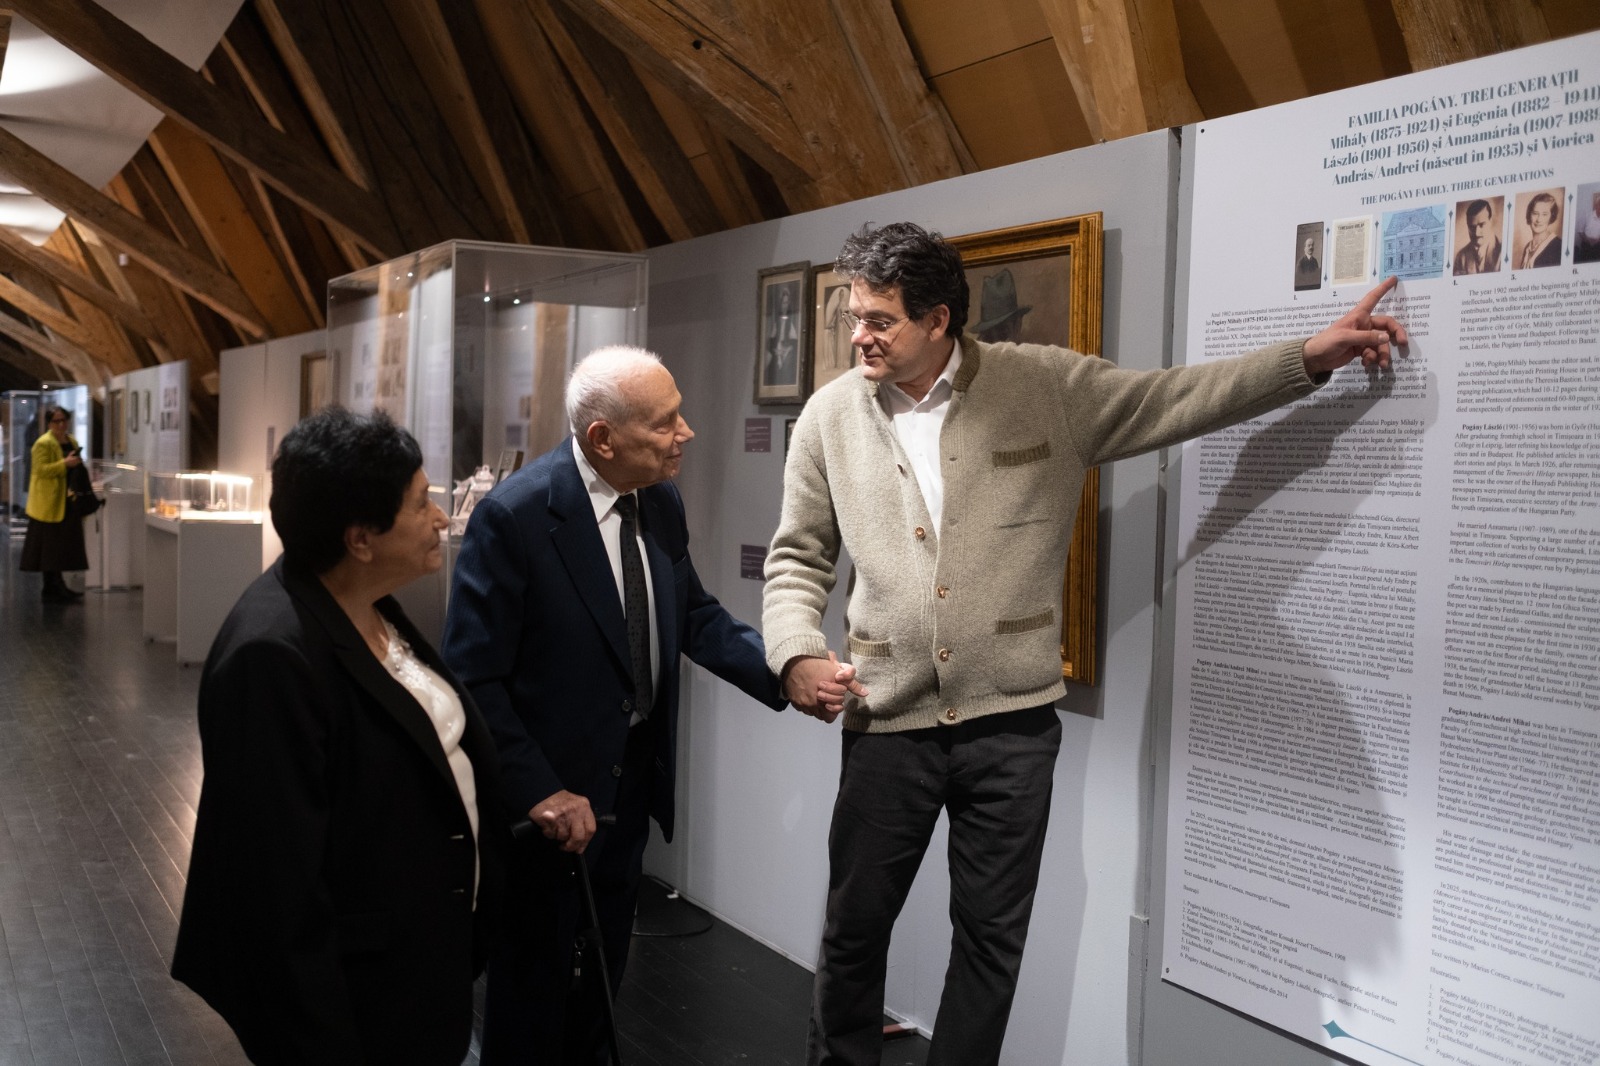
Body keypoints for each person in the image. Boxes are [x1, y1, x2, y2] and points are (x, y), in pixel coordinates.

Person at [762, 222, 1407, 1066]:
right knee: (853, 935)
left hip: (1013, 733)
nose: (860, 337)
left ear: (938, 319)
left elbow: (1181, 396)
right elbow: (797, 558)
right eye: (855, 318)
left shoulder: (1046, 386)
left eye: (879, 320)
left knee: (991, 945)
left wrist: (1308, 359)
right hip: (886, 724)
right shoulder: (829, 416)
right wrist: (796, 652)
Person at [442, 345, 787, 1063]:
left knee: (600, 986)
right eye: (664, 423)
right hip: (548, 807)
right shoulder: (515, 517)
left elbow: (693, 615)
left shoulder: (659, 501)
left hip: (626, 790)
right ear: (602, 438)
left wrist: (786, 670)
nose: (686, 433)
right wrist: (539, 789)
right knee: (531, 997)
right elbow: (473, 678)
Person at [171, 408, 502, 1065]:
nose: (441, 518)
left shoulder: (362, 603)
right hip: (356, 1000)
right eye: (421, 503)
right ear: (360, 539)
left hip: (414, 969)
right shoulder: (272, 658)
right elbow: (276, 892)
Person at [19, 406, 87, 602]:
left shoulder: (71, 440)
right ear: (49, 424)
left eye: (64, 420)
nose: (61, 424)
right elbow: (40, 470)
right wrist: (64, 464)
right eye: (57, 421)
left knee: (60, 546)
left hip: (66, 500)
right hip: (48, 502)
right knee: (50, 547)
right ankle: (54, 585)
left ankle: (54, 585)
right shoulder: (43, 443)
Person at [765, 282, 801, 386]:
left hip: (786, 350)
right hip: (777, 350)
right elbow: (772, 340)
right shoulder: (777, 322)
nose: (785, 306)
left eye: (786, 303)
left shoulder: (790, 323)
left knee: (788, 364)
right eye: (783, 303)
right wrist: (776, 350)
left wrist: (787, 349)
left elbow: (794, 341)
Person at [1453, 199, 1503, 274]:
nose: (1476, 233)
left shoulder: (1502, 251)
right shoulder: (1461, 257)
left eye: (1481, 225)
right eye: (1472, 227)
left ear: (1491, 222)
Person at [1518, 192, 1561, 269]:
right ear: (1529, 215)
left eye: (1544, 214)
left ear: (1551, 217)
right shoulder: (1527, 248)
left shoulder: (1558, 246)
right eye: (1535, 213)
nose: (1539, 220)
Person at [1575, 189, 1600, 264]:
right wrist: (1588, 240)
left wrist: (1597, 240)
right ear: (1596, 205)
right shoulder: (1587, 215)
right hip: (1586, 245)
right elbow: (1580, 231)